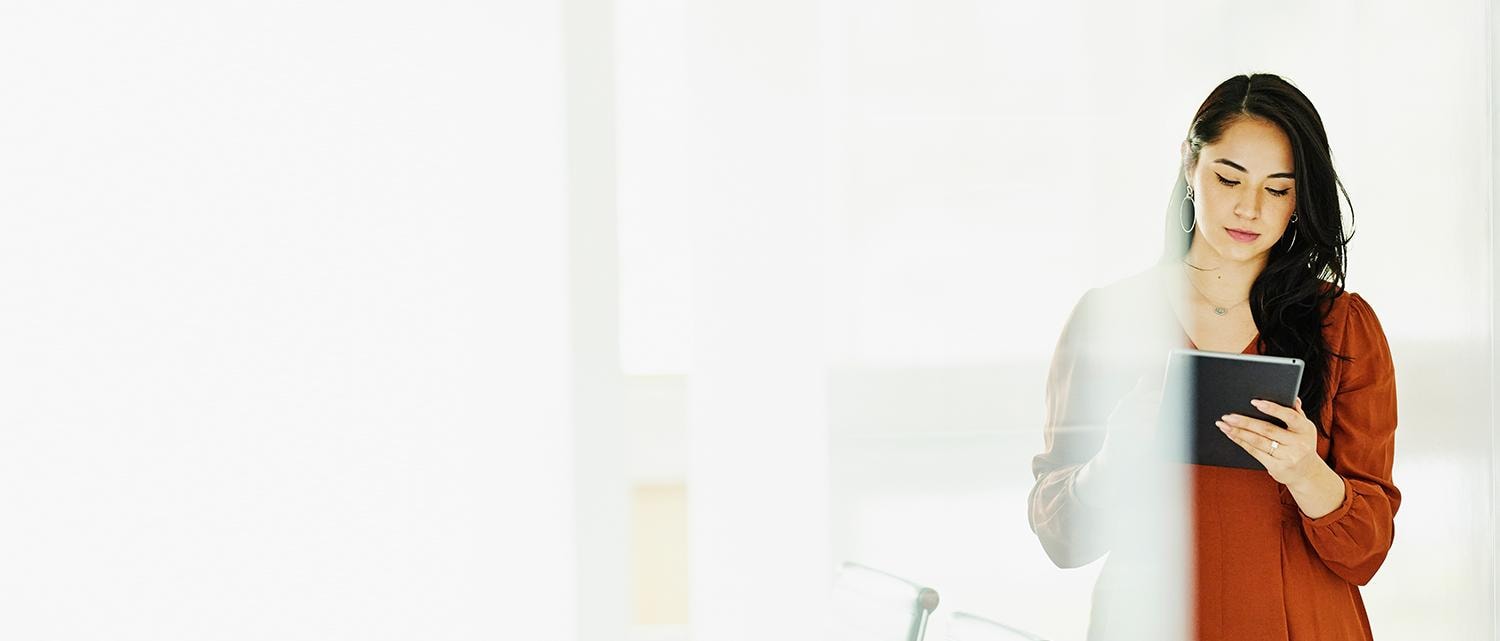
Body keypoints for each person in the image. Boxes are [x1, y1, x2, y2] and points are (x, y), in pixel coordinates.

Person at [1026, 73, 1399, 641]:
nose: (1249, 208)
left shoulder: (1344, 327)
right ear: (1189, 164)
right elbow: (1060, 536)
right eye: (1229, 178)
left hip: (1305, 622)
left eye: (1278, 189)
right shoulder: (1111, 319)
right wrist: (1112, 461)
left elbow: (1366, 551)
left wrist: (1304, 471)